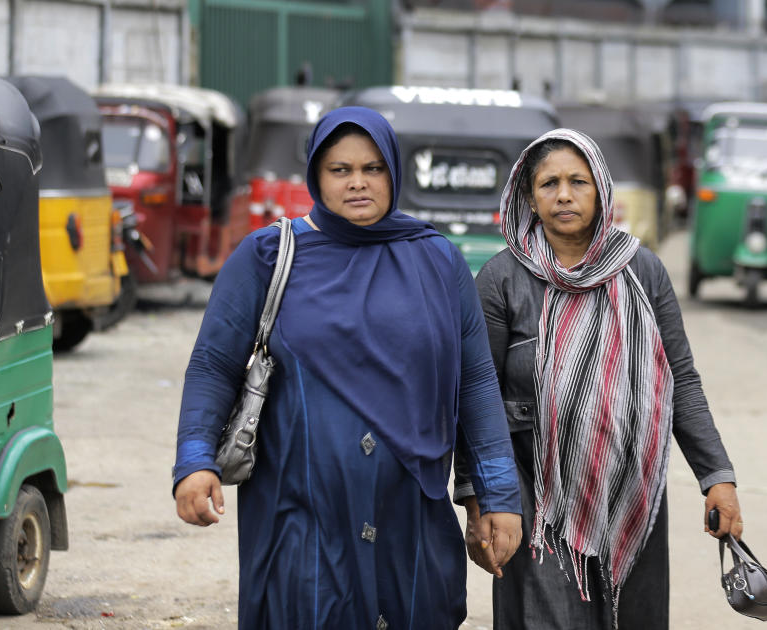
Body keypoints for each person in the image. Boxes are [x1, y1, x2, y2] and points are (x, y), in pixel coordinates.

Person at [172, 107, 523, 629]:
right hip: (303, 510)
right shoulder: (268, 256)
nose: (358, 183)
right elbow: (213, 365)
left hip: (411, 511)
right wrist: (195, 460)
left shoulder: (438, 261)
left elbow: (473, 382)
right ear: (316, 173)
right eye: (340, 170)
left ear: (394, 173)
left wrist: (496, 495)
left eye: (374, 168)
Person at [454, 128, 742, 629]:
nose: (564, 195)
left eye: (578, 182)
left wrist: (716, 476)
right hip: (537, 498)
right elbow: (476, 396)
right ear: (529, 196)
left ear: (601, 189)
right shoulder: (503, 279)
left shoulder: (643, 272)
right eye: (549, 184)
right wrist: (478, 499)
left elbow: (682, 382)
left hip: (631, 494)